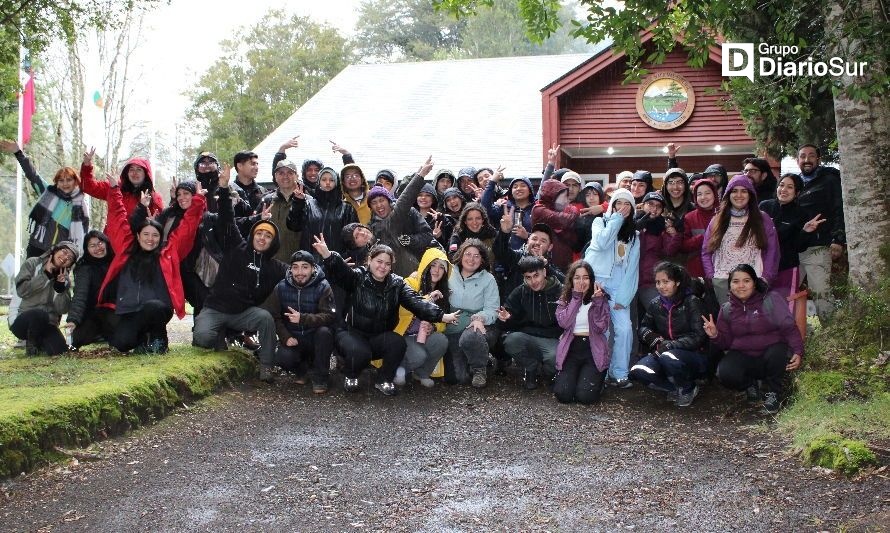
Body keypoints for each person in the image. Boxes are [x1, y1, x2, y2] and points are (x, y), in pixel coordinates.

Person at [313, 236, 459, 396]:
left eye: (387, 264)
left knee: (397, 343)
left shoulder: (397, 284)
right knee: (361, 352)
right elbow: (342, 272)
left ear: (391, 267)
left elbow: (416, 302)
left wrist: (441, 316)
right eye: (379, 261)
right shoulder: (358, 277)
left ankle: (383, 379)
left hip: (379, 335)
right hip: (352, 333)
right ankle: (351, 374)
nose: (382, 267)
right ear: (370, 261)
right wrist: (328, 255)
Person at [192, 165, 288, 382]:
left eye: (268, 236)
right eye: (260, 233)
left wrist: (328, 260)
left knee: (265, 318)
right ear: (253, 234)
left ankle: (266, 365)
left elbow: (300, 272)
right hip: (215, 308)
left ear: (273, 242)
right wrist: (224, 188)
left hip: (242, 314)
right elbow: (226, 218)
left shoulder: (275, 267)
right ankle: (218, 335)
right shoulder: (236, 246)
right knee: (203, 337)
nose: (262, 238)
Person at [96, 170, 205, 354]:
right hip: (129, 310)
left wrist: (197, 202)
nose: (150, 239)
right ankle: (142, 339)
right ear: (138, 236)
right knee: (121, 344)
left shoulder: (168, 253)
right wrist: (114, 189)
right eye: (146, 234)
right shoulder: (126, 249)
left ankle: (159, 337)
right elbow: (117, 219)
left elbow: (187, 228)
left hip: (158, 309)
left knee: (152, 307)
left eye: (155, 235)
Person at [705, 264, 803, 414]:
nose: (741, 286)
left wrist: (798, 350)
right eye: (736, 281)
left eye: (746, 281)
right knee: (724, 373)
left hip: (772, 354)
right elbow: (726, 343)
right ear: (730, 286)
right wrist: (715, 335)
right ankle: (750, 384)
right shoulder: (726, 309)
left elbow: (789, 327)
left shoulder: (771, 300)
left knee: (778, 351)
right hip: (744, 355)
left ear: (755, 283)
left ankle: (773, 392)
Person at [582, 188, 640, 389]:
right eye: (618, 203)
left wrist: (624, 297)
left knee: (624, 329)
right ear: (612, 205)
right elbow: (601, 242)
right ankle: (601, 371)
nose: (622, 208)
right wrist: (615, 219)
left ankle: (620, 372)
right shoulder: (600, 222)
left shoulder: (634, 235)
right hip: (598, 283)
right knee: (602, 329)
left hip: (618, 286)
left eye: (627, 205)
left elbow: (632, 268)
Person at [631, 262, 708, 407]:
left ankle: (688, 388)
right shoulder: (656, 304)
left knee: (669, 357)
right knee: (639, 371)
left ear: (677, 282)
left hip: (693, 355)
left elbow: (699, 336)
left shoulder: (692, 302)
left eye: (666, 282)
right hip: (665, 350)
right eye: (658, 282)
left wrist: (671, 345)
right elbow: (643, 327)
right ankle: (673, 388)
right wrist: (651, 336)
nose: (661, 286)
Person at [1, 140, 89, 257]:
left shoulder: (81, 207)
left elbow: (83, 236)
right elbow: (33, 175)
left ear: (75, 182)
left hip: (60, 256)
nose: (65, 183)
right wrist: (18, 152)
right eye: (61, 180)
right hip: (36, 248)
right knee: (27, 276)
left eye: (69, 180)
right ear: (56, 183)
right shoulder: (48, 192)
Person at [702, 175, 779, 306]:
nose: (739, 195)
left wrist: (766, 278)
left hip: (753, 281)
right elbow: (706, 251)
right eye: (734, 191)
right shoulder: (717, 220)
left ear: (750, 195)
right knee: (728, 321)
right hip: (722, 282)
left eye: (744, 191)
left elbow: (773, 250)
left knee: (754, 322)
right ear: (728, 194)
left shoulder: (762, 218)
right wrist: (712, 276)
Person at [265, 251, 336, 394]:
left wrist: (303, 318)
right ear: (290, 269)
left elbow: (329, 316)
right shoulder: (281, 287)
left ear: (313, 268)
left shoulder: (323, 286)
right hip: (294, 337)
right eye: (295, 267)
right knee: (283, 357)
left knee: (325, 333)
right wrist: (285, 336)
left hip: (315, 336)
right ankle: (301, 370)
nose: (300, 272)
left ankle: (321, 376)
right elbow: (274, 316)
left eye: (305, 267)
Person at [795, 144, 845, 325]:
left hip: (819, 247)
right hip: (794, 248)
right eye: (802, 156)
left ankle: (833, 334)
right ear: (797, 160)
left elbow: (839, 209)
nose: (806, 160)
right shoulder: (794, 183)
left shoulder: (830, 180)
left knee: (821, 294)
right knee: (787, 293)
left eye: (811, 156)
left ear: (818, 159)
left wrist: (838, 239)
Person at [497, 256, 563, 389]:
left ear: (544, 272)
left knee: (555, 358)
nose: (533, 281)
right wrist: (506, 318)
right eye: (528, 277)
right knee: (511, 341)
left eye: (536, 275)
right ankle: (531, 367)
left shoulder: (560, 291)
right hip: (527, 335)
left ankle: (547, 373)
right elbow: (507, 315)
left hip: (552, 338)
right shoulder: (520, 292)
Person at [367, 156, 437, 277]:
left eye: (381, 200)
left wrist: (410, 240)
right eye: (374, 202)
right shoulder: (371, 227)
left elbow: (427, 235)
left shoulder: (408, 212)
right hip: (387, 279)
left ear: (389, 201)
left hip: (413, 273)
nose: (379, 205)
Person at [445, 239, 501, 388]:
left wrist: (479, 318)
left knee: (471, 336)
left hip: (479, 327)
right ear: (460, 255)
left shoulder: (488, 279)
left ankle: (479, 369)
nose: (471, 259)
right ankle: (477, 357)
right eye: (468, 254)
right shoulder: (449, 272)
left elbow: (493, 309)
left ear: (482, 259)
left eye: (476, 256)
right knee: (458, 378)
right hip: (453, 327)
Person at [553, 260, 610, 404]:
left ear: (591, 280)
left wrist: (598, 302)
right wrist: (576, 298)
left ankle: (598, 381)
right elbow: (564, 323)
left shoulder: (599, 298)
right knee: (563, 395)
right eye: (577, 277)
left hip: (592, 349)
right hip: (571, 348)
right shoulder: (565, 299)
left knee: (585, 398)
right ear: (571, 280)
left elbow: (601, 327)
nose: (581, 281)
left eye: (585, 277)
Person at [393, 248, 452, 388]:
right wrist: (429, 298)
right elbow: (402, 309)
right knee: (419, 356)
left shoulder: (443, 292)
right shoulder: (410, 283)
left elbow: (444, 321)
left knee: (441, 340)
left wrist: (434, 327)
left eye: (441, 267)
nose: (436, 270)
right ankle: (398, 371)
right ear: (425, 265)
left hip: (423, 335)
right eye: (433, 265)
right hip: (404, 335)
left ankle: (421, 373)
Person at [759, 173, 821, 300]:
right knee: (761, 305)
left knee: (784, 306)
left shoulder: (801, 213)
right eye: (781, 185)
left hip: (787, 267)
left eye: (790, 187)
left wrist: (805, 231)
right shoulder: (764, 207)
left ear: (797, 193)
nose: (784, 190)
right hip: (761, 267)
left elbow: (799, 247)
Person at [10, 241, 78, 355]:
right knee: (39, 314)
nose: (65, 257)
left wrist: (59, 289)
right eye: (64, 252)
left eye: (70, 258)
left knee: (60, 351)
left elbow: (63, 309)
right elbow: (22, 290)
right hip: (21, 320)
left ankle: (39, 342)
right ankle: (31, 345)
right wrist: (46, 275)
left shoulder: (64, 280)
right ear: (55, 250)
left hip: (48, 323)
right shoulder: (32, 263)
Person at [287, 166, 358, 260]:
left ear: (336, 183)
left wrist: (346, 259)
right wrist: (297, 203)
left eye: (331, 180)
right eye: (324, 179)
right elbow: (293, 226)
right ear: (319, 182)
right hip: (311, 261)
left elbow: (353, 238)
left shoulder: (347, 208)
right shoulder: (308, 204)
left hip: (337, 260)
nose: (327, 183)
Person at [80, 147, 164, 226]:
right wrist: (87, 166)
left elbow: (158, 227)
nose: (134, 173)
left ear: (146, 174)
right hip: (112, 239)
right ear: (126, 173)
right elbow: (89, 187)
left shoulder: (154, 198)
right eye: (131, 169)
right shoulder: (115, 188)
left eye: (139, 170)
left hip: (138, 240)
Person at [494, 210, 564, 299]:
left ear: (550, 247)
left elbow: (566, 283)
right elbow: (500, 252)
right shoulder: (517, 257)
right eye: (534, 238)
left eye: (543, 241)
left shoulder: (551, 266)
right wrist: (504, 233)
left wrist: (545, 266)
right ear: (528, 241)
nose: (537, 242)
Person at [65, 230, 116, 349]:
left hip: (114, 311)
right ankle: (98, 333)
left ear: (106, 243)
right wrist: (73, 320)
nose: (98, 248)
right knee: (77, 338)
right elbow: (80, 296)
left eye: (100, 243)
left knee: (121, 338)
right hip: (92, 313)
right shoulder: (84, 267)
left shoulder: (116, 262)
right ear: (87, 249)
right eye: (92, 245)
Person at [531, 179, 579, 271]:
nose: (567, 201)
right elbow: (564, 220)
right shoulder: (539, 210)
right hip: (544, 264)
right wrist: (574, 210)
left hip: (564, 265)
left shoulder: (556, 210)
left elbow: (572, 240)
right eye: (564, 197)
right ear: (553, 195)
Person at [480, 173, 535, 251]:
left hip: (530, 257)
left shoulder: (536, 209)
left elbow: (543, 235)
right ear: (511, 192)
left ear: (530, 190)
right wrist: (492, 182)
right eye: (515, 187)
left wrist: (527, 236)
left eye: (523, 185)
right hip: (507, 256)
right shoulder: (504, 208)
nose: (518, 188)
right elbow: (484, 207)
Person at [681, 179, 719, 279]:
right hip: (697, 271)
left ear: (714, 194)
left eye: (707, 193)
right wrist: (703, 238)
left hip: (721, 268)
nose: (703, 197)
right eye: (699, 194)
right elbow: (683, 245)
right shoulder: (689, 218)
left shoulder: (724, 215)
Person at [415, 183, 455, 248]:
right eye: (420, 195)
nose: (423, 197)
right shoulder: (410, 217)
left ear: (433, 199)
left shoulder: (440, 218)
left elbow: (449, 245)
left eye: (428, 195)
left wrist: (438, 237)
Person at [660, 167, 693, 233]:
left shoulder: (693, 209)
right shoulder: (658, 207)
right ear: (665, 186)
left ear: (686, 185)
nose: (675, 187)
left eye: (680, 182)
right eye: (671, 182)